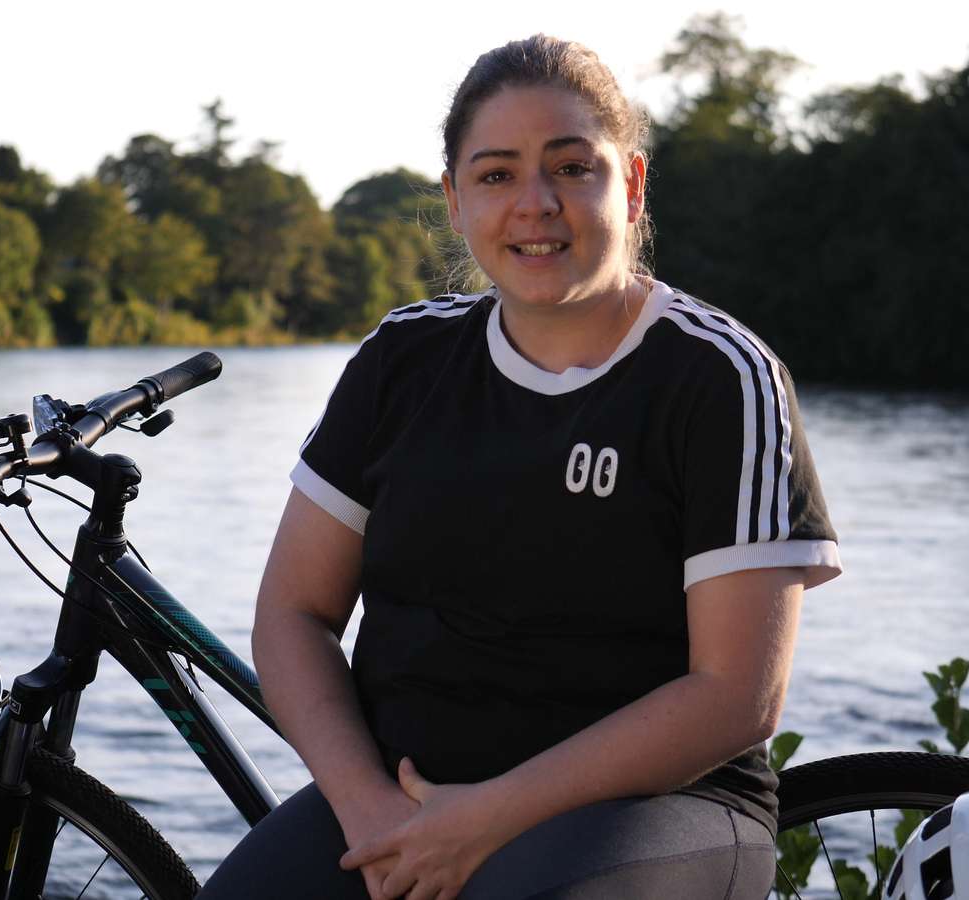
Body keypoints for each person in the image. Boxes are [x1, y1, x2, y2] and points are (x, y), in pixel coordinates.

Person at [198, 34, 841, 900]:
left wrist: (482, 821)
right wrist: (372, 817)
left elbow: (735, 696)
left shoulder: (719, 376)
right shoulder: (403, 360)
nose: (535, 203)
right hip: (397, 802)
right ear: (456, 200)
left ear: (634, 185)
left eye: (572, 168)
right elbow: (292, 614)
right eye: (497, 174)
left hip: (658, 808)